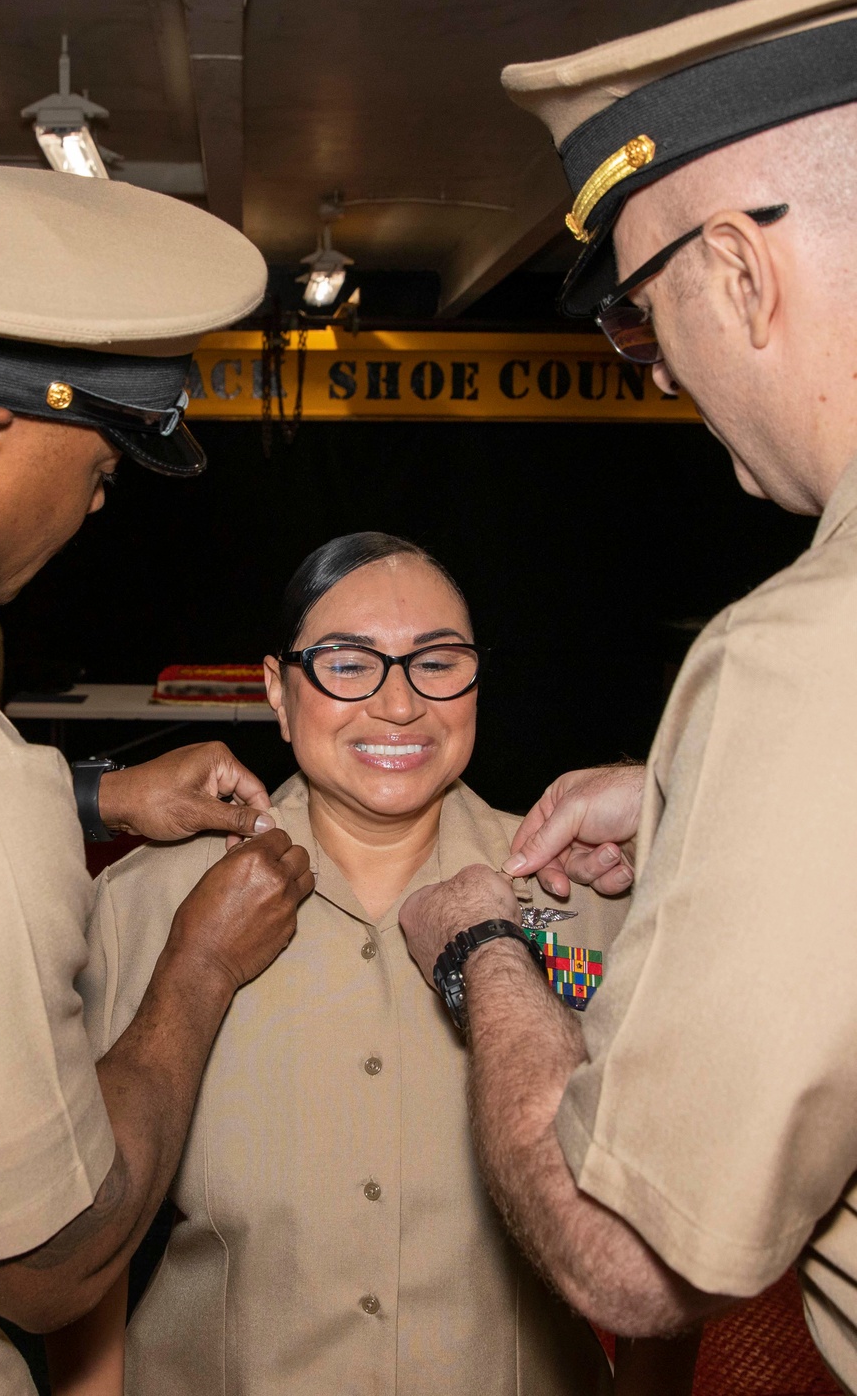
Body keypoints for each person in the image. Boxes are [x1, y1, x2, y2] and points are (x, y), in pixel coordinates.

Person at [397, 0, 857, 1391]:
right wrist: (686, 811)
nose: (667, 383)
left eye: (649, 327)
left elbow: (629, 1255)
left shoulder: (807, 649)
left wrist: (484, 949)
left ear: (738, 271)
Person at [0, 160, 314, 1394]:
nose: (97, 508)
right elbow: (52, 1259)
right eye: (101, 472)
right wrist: (199, 968)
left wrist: (93, 795)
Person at [65, 531, 701, 1396]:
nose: (400, 705)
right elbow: (89, 1239)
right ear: (277, 694)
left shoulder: (592, 900)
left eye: (437, 663)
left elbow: (673, 1232)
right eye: (348, 664)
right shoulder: (147, 906)